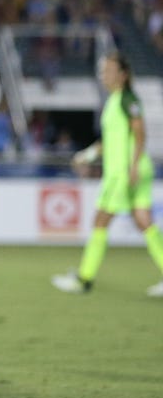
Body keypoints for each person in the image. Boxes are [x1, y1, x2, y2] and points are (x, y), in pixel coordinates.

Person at [51, 53, 163, 297]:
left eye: (109, 70)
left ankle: (84, 279)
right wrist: (88, 155)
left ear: (123, 75)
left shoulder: (127, 100)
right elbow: (109, 141)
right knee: (144, 220)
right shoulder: (115, 101)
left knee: (100, 221)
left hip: (123, 172)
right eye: (103, 71)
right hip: (133, 169)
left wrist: (131, 167)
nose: (104, 75)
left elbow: (140, 133)